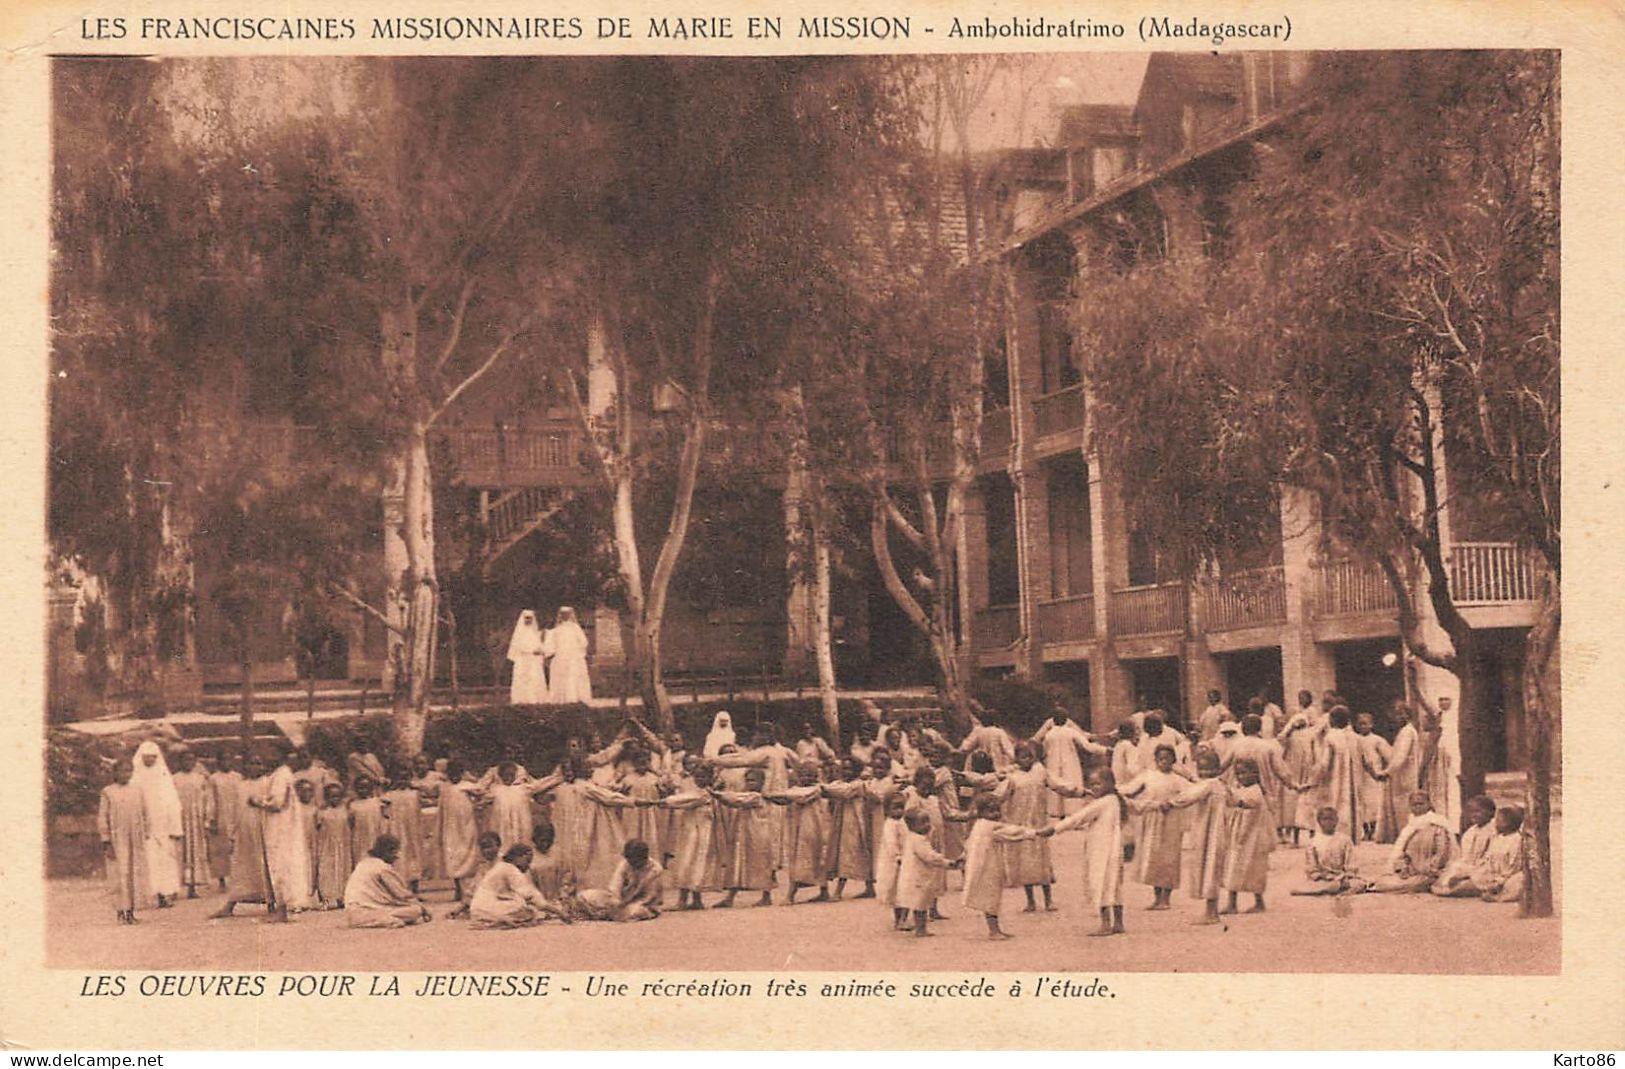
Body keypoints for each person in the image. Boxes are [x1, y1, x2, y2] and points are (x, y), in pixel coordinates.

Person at [1048, 768, 1128, 936]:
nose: (1095, 788)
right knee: (1114, 886)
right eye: (1092, 784)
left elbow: (1079, 817)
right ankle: (1119, 923)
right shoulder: (1115, 800)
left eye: (1098, 784)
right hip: (1113, 851)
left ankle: (1106, 924)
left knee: (1101, 884)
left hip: (1102, 851)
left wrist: (1055, 828)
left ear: (1110, 784)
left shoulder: (1103, 802)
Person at [961, 796, 1050, 939]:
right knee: (991, 899)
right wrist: (1036, 832)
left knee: (991, 898)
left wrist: (963, 856)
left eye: (997, 811)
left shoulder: (978, 825)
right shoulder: (990, 826)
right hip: (987, 868)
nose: (996, 814)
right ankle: (993, 931)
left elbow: (968, 844)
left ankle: (996, 929)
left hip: (983, 866)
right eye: (991, 811)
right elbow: (1013, 832)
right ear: (981, 812)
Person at [1119, 743, 1190, 910]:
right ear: (1156, 760)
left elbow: (1190, 795)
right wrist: (1114, 791)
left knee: (1169, 859)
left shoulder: (1178, 780)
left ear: (1173, 760)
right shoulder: (1148, 776)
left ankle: (1166, 898)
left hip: (1171, 823)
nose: (1164, 762)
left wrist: (1172, 803)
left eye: (1167, 758)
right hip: (1152, 821)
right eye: (1160, 759)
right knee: (1154, 858)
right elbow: (1129, 790)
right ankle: (1157, 897)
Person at [988, 741, 1056, 912]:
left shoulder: (1041, 773)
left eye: (1030, 756)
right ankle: (1031, 900)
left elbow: (1058, 784)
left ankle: (1048, 899)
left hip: (1039, 823)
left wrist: (1078, 791)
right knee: (1025, 864)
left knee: (1043, 862)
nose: (1027, 760)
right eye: (1023, 756)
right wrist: (984, 803)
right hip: (1021, 825)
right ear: (1016, 758)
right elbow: (999, 795)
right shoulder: (1012, 778)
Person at [254, 748, 313, 921]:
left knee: (281, 865)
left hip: (281, 827)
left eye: (271, 755)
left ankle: (283, 909)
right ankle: (284, 907)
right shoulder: (281, 774)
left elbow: (277, 803)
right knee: (284, 864)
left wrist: (258, 802)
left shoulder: (280, 775)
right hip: (284, 825)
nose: (267, 759)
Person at [211, 755, 272, 918]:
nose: (254, 767)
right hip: (244, 833)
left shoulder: (268, 783)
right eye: (251, 763)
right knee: (242, 868)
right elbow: (233, 811)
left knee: (265, 866)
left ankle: (272, 903)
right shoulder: (240, 785)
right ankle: (231, 905)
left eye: (258, 763)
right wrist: (232, 834)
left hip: (263, 830)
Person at [656, 764, 722, 911]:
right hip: (690, 831)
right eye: (697, 776)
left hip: (701, 834)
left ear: (710, 778)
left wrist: (664, 801)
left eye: (703, 776)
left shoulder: (704, 793)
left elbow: (682, 800)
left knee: (692, 862)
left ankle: (685, 900)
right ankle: (692, 899)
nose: (699, 779)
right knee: (688, 862)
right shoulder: (699, 792)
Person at [766, 763, 832, 905]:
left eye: (809, 775)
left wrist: (771, 794)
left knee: (813, 858)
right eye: (802, 774)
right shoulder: (795, 790)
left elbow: (797, 796)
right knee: (797, 858)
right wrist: (770, 798)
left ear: (815, 776)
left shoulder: (816, 789)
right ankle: (817, 891)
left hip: (813, 829)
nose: (805, 778)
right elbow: (784, 799)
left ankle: (794, 893)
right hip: (797, 829)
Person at [1297, 706, 1365, 841]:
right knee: (1352, 810)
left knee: (1335, 809)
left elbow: (1324, 765)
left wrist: (1312, 782)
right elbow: (1366, 761)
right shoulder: (1356, 738)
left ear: (1332, 720)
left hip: (1335, 783)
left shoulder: (1331, 737)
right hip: (1354, 784)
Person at [130, 740, 183, 908]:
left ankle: (164, 895)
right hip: (143, 825)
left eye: (153, 757)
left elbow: (172, 802)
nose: (149, 760)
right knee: (147, 859)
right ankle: (145, 896)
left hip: (162, 826)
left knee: (164, 859)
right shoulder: (135, 777)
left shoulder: (163, 776)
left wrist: (175, 826)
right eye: (146, 757)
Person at [712, 767, 775, 908]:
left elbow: (736, 799)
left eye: (752, 780)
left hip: (758, 835)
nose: (749, 783)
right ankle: (730, 897)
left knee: (761, 864)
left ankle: (766, 896)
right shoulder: (748, 795)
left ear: (762, 782)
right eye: (747, 780)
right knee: (738, 863)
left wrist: (717, 793)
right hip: (744, 834)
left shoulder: (756, 796)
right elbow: (733, 800)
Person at [1369, 791, 1456, 893]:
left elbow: (1442, 853)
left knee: (1410, 884)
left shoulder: (1438, 825)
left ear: (1429, 804)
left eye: (1421, 804)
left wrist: (1430, 869)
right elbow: (1402, 853)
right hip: (1411, 872)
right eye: (1414, 805)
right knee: (1384, 881)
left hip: (1431, 873)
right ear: (1410, 807)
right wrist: (1403, 868)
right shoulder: (1410, 827)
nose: (1418, 807)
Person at [1218, 758, 1273, 915]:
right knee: (1233, 867)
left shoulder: (1255, 791)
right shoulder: (1243, 789)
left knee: (1253, 869)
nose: (1241, 776)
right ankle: (1232, 903)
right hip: (1240, 836)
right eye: (1238, 773)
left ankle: (1258, 902)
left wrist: (1228, 792)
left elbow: (1242, 802)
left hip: (1251, 837)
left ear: (1254, 774)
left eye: (1244, 773)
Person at [469, 844, 570, 928]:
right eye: (527, 861)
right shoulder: (510, 869)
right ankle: (501, 920)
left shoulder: (502, 866)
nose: (528, 865)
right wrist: (559, 912)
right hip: (485, 907)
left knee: (522, 903)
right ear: (518, 857)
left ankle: (497, 920)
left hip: (476, 909)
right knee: (523, 907)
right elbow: (531, 896)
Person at [98, 758, 148, 924]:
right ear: (115, 773)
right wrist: (106, 841)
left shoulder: (138, 790)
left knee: (134, 873)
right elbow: (102, 818)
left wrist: (145, 832)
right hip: (117, 839)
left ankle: (131, 912)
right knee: (120, 873)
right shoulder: (108, 792)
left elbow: (144, 813)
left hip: (135, 837)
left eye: (129, 771)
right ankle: (120, 911)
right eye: (122, 771)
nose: (126, 774)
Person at [343, 836, 431, 929]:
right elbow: (402, 895)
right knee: (415, 911)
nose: (397, 856)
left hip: (353, 913)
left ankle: (381, 920)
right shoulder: (383, 868)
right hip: (366, 912)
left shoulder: (363, 863)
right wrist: (423, 909)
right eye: (395, 852)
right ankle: (383, 920)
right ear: (387, 852)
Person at [1033, 710, 1108, 816]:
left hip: (1052, 762)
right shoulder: (1070, 732)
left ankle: (1055, 811)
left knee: (1056, 783)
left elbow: (1042, 746)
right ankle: (1072, 810)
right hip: (1070, 761)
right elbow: (1088, 746)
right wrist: (1105, 750)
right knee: (1070, 782)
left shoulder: (1049, 734)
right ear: (1066, 720)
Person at [821, 757, 874, 901]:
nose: (845, 772)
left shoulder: (858, 784)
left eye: (848, 769)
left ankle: (839, 891)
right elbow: (834, 787)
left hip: (855, 823)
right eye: (843, 769)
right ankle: (869, 887)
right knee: (855, 854)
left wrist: (822, 788)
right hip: (843, 823)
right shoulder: (841, 783)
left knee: (849, 854)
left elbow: (844, 791)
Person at [573, 840, 663, 922]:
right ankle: (609, 914)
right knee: (584, 896)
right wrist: (616, 900)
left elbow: (648, 898)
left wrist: (622, 906)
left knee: (634, 911)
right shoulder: (625, 863)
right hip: (620, 901)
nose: (631, 862)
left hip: (642, 905)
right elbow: (615, 886)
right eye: (629, 859)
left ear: (643, 858)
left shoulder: (655, 870)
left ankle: (605, 914)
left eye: (634, 860)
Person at [1290, 806, 1370, 895]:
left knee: (1359, 884)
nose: (1328, 822)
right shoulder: (1313, 842)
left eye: (1332, 819)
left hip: (1342, 877)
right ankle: (1329, 889)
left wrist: (1347, 875)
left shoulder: (1345, 839)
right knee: (1312, 886)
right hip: (1323, 879)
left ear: (1336, 821)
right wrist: (1321, 876)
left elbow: (1351, 862)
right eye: (1325, 819)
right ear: (1319, 821)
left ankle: (1341, 889)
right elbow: (1311, 866)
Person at [895, 811, 952, 937]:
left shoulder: (912, 838)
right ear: (911, 826)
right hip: (918, 877)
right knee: (921, 904)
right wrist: (946, 862)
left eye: (928, 821)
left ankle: (919, 928)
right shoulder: (919, 840)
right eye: (923, 823)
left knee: (919, 903)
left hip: (914, 876)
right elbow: (929, 856)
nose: (927, 825)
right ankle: (921, 930)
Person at [1431, 795, 1498, 896]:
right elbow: (1465, 857)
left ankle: (1462, 887)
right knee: (1453, 869)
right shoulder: (1470, 832)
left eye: (1477, 811)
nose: (1473, 815)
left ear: (1491, 813)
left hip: (1485, 867)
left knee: (1475, 879)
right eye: (1470, 812)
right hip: (1470, 865)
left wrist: (1470, 871)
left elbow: (1491, 856)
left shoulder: (1494, 831)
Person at [170, 749, 215, 899]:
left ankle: (192, 887)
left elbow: (208, 800)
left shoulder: (200, 779)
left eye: (191, 760)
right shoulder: (174, 779)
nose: (188, 763)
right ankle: (175, 888)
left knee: (195, 852)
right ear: (180, 762)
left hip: (196, 821)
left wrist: (207, 820)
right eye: (185, 760)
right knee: (179, 852)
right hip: (179, 819)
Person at [1380, 702, 1423, 842]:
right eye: (1395, 714)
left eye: (1400, 714)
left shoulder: (1407, 732)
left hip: (1405, 776)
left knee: (1404, 808)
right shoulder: (1404, 732)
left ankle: (1406, 839)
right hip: (1401, 776)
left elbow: (1400, 757)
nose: (1396, 717)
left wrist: (1387, 772)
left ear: (1406, 715)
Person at [314, 782, 353, 909]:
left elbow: (350, 826)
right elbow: (317, 828)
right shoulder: (322, 813)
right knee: (327, 870)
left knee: (343, 870)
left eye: (337, 796)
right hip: (327, 845)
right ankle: (326, 898)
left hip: (343, 845)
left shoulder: (346, 811)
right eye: (332, 796)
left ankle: (342, 897)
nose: (334, 799)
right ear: (327, 798)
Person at [1353, 712, 1392, 841]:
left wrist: (1383, 771)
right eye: (1360, 724)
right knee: (1362, 803)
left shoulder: (1377, 740)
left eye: (1365, 724)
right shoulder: (1354, 739)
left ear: (1371, 725)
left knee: (1373, 803)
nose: (1362, 726)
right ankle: (1365, 830)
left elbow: (1389, 756)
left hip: (1373, 776)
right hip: (1360, 775)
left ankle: (1374, 829)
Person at [207, 754, 243, 891]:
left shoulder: (238, 777)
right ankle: (222, 880)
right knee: (220, 849)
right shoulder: (214, 778)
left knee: (237, 848)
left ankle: (238, 879)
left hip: (236, 814)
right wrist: (211, 819)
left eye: (228, 760)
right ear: (218, 762)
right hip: (221, 816)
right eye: (223, 760)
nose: (226, 762)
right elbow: (211, 800)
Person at [447, 833, 503, 919]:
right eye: (483, 848)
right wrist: (458, 909)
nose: (486, 851)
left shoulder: (505, 864)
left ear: (499, 845)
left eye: (490, 846)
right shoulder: (483, 866)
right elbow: (474, 889)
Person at [543, 606, 593, 703]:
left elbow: (583, 642)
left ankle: (575, 697)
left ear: (570, 615)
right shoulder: (557, 629)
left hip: (574, 656)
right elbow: (552, 643)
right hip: (561, 656)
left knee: (573, 675)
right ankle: (562, 698)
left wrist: (577, 651)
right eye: (563, 614)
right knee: (561, 675)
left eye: (567, 614)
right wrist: (551, 651)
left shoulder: (575, 628)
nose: (564, 616)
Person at [506, 609, 549, 704]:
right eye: (526, 618)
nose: (528, 620)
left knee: (534, 678)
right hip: (523, 660)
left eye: (530, 618)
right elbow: (519, 647)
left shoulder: (534, 633)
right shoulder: (519, 633)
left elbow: (539, 645)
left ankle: (535, 699)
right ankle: (522, 699)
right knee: (523, 678)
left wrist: (540, 650)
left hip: (533, 660)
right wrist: (531, 651)